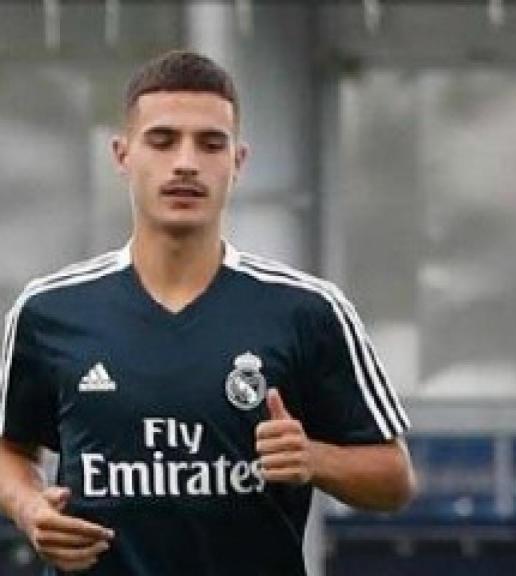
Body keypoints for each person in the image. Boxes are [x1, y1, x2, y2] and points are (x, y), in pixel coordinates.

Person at [0, 50, 415, 575]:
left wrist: (314, 458)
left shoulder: (309, 310)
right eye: (163, 139)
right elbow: (10, 448)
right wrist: (28, 506)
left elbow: (395, 478)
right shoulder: (49, 310)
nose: (186, 162)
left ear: (238, 162)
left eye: (211, 143)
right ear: (122, 154)